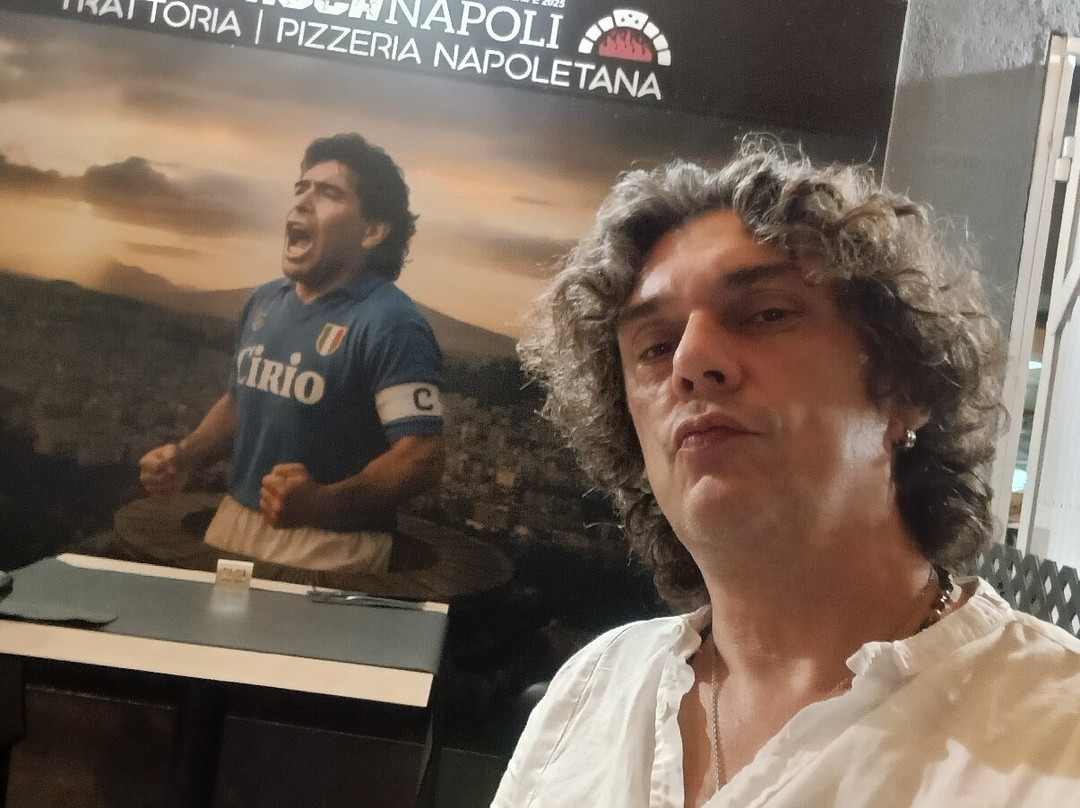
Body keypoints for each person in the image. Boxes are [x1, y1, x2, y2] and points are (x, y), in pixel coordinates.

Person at [495, 144, 1080, 807]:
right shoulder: (592, 693)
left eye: (767, 313)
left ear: (904, 385)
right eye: (654, 346)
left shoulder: (1054, 737)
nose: (690, 360)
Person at [139, 134, 444, 573]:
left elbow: (421, 455)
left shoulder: (392, 322)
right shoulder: (264, 302)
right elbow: (240, 402)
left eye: (329, 193)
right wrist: (185, 456)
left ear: (373, 231)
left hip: (331, 545)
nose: (302, 201)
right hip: (235, 520)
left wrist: (322, 503)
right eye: (301, 188)